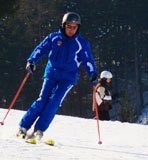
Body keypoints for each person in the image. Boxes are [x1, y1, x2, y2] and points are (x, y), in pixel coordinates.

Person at [16, 12, 98, 140]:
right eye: (69, 26)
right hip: (52, 73)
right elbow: (41, 48)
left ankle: (39, 130)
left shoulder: (82, 43)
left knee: (54, 102)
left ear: (78, 27)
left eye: (74, 27)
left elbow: (88, 61)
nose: (71, 30)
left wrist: (93, 74)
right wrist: (32, 60)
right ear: (63, 25)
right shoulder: (54, 38)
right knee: (43, 100)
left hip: (68, 77)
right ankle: (23, 127)